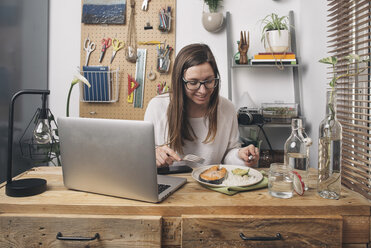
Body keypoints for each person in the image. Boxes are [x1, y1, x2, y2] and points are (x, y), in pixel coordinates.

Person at [144, 43, 259, 167]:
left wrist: (240, 155)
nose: (203, 91)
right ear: (179, 82)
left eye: (209, 81)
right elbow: (142, 157)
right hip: (168, 182)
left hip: (210, 182)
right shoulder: (157, 107)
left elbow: (228, 155)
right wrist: (153, 154)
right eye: (193, 82)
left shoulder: (227, 108)